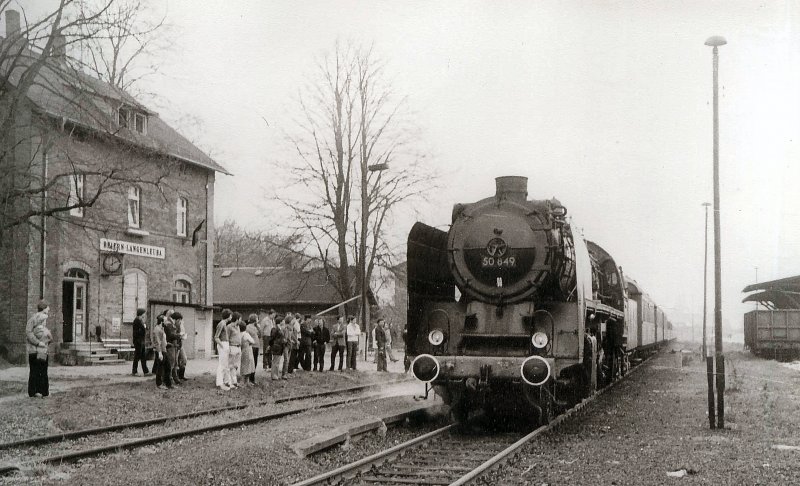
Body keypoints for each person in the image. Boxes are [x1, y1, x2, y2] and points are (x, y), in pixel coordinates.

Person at [26, 301, 51, 398]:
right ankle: (34, 392)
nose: (48, 312)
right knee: (36, 371)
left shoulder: (42, 320)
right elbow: (28, 333)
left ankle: (43, 391)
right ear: (43, 309)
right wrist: (38, 342)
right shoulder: (33, 319)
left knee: (42, 370)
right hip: (35, 350)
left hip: (42, 350)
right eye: (47, 310)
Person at [214, 309, 233, 391]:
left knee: (226, 365)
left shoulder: (224, 324)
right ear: (228, 316)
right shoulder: (221, 324)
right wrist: (222, 346)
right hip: (223, 344)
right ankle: (220, 383)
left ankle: (226, 382)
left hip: (225, 344)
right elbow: (216, 337)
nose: (231, 317)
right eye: (231, 315)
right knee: (221, 365)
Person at [152, 315, 171, 389]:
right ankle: (159, 384)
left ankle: (168, 383)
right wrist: (159, 352)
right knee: (160, 368)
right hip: (160, 351)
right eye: (165, 321)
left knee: (167, 367)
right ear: (162, 322)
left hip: (164, 350)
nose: (167, 322)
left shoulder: (161, 329)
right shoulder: (157, 329)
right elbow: (157, 342)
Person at [162, 311, 180, 386]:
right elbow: (170, 335)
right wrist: (178, 336)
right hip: (170, 345)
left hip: (172, 345)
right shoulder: (169, 324)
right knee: (171, 363)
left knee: (173, 363)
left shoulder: (170, 323)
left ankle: (171, 379)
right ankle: (168, 380)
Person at [227, 312, 243, 387]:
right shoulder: (229, 327)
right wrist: (229, 348)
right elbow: (227, 338)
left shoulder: (238, 327)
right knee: (230, 365)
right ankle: (229, 382)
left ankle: (234, 381)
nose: (241, 320)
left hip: (238, 347)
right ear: (237, 319)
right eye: (240, 319)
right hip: (232, 347)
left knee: (235, 365)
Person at [131, 308, 149, 376]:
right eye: (144, 313)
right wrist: (143, 328)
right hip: (138, 341)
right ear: (141, 313)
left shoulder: (141, 320)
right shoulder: (137, 320)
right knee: (137, 356)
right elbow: (138, 331)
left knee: (143, 356)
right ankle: (134, 371)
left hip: (141, 341)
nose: (144, 314)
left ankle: (146, 371)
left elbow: (144, 328)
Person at [240, 315, 257, 385]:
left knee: (244, 365)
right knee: (248, 365)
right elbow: (253, 341)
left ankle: (244, 381)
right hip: (248, 350)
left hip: (243, 350)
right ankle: (245, 381)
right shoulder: (246, 334)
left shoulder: (239, 334)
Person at [172, 311, 188, 381]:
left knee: (184, 359)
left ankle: (181, 375)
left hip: (180, 345)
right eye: (179, 320)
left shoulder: (179, 325)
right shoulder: (173, 326)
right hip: (175, 345)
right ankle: (176, 377)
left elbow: (182, 332)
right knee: (175, 362)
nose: (180, 322)